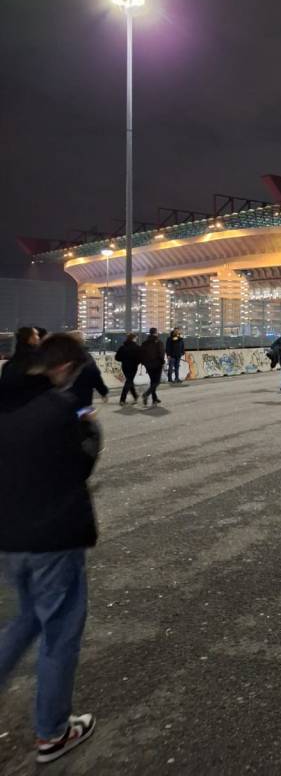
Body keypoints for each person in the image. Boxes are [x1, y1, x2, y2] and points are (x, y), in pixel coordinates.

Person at [0, 333, 100, 764]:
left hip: (9, 538)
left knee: (23, 621)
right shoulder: (59, 410)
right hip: (53, 539)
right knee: (60, 631)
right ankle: (53, 732)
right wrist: (89, 431)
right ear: (63, 367)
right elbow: (80, 464)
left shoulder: (5, 403)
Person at [0, 326, 41, 402]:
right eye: (36, 334)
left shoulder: (9, 363)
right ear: (29, 339)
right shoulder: (35, 360)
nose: (38, 337)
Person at [139, 328, 165, 407]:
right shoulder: (158, 342)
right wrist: (162, 362)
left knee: (153, 382)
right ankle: (146, 394)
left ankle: (154, 399)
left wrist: (144, 363)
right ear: (156, 333)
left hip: (148, 365)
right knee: (157, 382)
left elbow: (141, 354)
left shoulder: (144, 343)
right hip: (157, 365)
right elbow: (161, 353)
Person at [115, 333, 140, 404]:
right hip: (133, 367)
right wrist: (137, 362)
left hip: (125, 366)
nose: (136, 340)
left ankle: (135, 396)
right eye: (136, 338)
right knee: (129, 381)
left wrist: (124, 360)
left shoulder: (122, 347)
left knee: (129, 381)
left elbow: (117, 357)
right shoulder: (137, 347)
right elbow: (140, 357)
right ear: (133, 338)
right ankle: (122, 400)